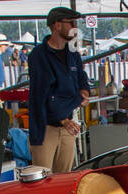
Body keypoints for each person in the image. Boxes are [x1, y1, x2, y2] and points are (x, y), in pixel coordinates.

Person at [28, 7, 89, 171]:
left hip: (68, 125)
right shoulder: (38, 56)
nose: (75, 27)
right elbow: (43, 94)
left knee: (65, 178)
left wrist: (84, 92)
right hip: (45, 128)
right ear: (57, 25)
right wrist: (63, 119)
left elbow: (81, 76)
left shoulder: (73, 54)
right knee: (43, 178)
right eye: (71, 23)